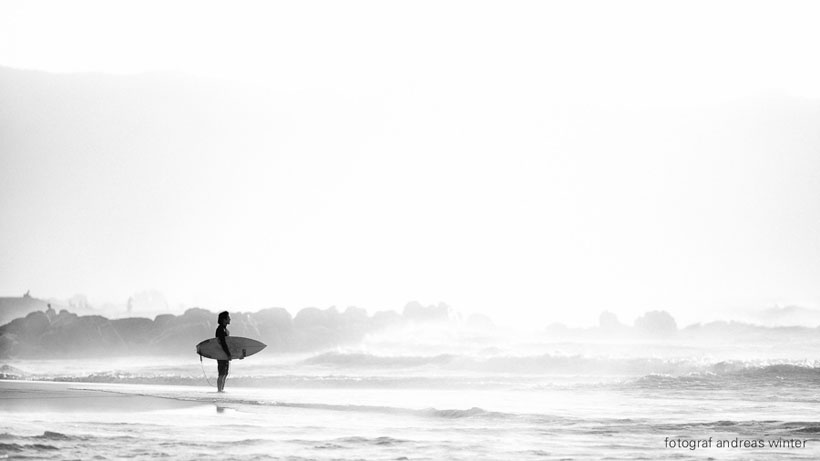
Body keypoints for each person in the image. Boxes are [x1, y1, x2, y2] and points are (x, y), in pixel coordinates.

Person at [215, 311, 233, 392]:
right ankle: (219, 390)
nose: (230, 319)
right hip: (221, 354)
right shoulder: (220, 329)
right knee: (222, 374)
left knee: (225, 374)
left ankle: (221, 389)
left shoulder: (225, 329)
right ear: (224, 319)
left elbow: (228, 344)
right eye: (228, 317)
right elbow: (223, 343)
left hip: (224, 354)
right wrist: (228, 354)